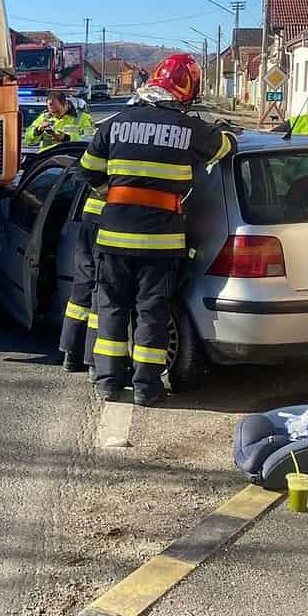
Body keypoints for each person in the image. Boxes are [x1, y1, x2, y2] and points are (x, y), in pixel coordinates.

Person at [78, 52, 236, 406]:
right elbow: (225, 148)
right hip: (160, 243)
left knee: (112, 308)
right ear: (186, 87)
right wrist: (223, 131)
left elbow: (87, 170)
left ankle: (108, 382)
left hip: (114, 237)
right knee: (152, 311)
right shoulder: (189, 128)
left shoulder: (115, 124)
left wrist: (117, 196)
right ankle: (147, 388)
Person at [58, 184, 106, 373]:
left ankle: (71, 354)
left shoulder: (107, 153)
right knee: (102, 289)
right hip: (115, 217)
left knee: (83, 286)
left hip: (91, 215)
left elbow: (87, 167)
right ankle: (93, 360)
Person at [22, 90, 95, 151]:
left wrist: (66, 138)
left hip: (72, 158)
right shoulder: (44, 117)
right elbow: (27, 139)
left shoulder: (83, 118)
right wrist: (37, 131)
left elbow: (89, 139)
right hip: (47, 158)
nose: (55, 115)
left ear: (66, 104)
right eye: (52, 112)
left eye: (57, 111)